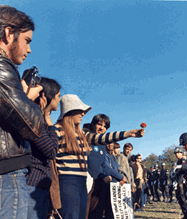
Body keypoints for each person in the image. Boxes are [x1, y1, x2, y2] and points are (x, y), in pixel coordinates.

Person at [55, 95, 145, 219]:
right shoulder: (55, 131)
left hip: (84, 183)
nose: (83, 113)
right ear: (70, 111)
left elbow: (104, 138)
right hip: (68, 183)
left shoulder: (83, 135)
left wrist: (129, 133)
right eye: (79, 110)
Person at [0, 6, 45, 219]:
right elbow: (33, 126)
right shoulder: (2, 68)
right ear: (9, 33)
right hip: (7, 175)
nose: (29, 50)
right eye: (27, 40)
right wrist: (29, 98)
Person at [25, 77, 61, 219]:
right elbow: (51, 151)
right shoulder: (36, 119)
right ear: (45, 96)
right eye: (57, 96)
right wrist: (50, 123)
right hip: (33, 184)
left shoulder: (40, 120)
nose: (59, 100)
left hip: (40, 185)